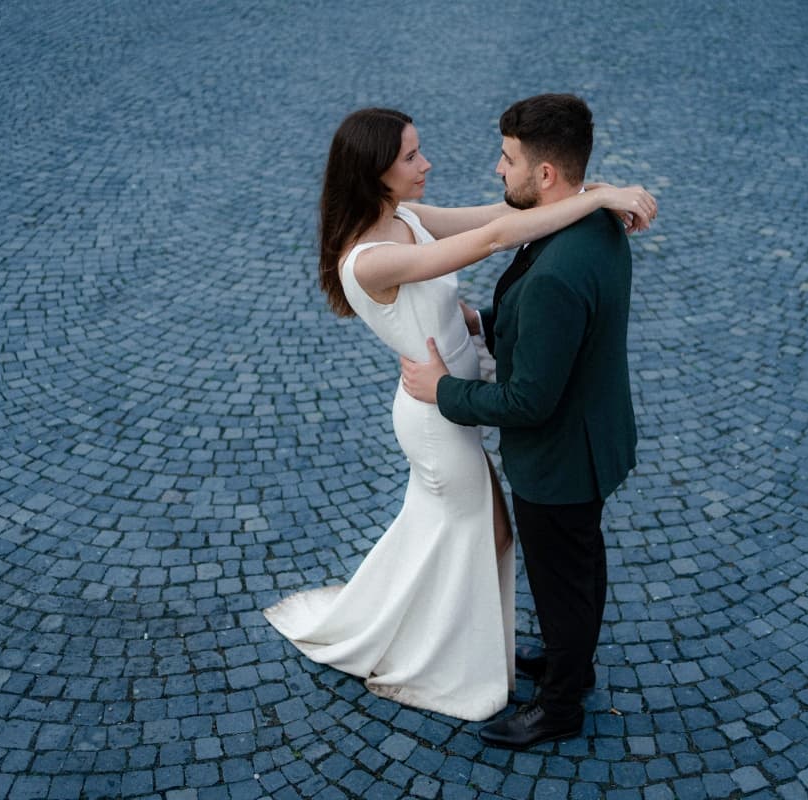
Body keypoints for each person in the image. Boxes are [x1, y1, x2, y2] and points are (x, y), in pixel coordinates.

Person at [263, 106, 655, 722]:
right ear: (374, 173)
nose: (428, 164)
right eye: (412, 158)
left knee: (464, 532)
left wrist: (595, 193)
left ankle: (457, 643)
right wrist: (601, 196)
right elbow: (495, 238)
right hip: (433, 412)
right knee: (486, 533)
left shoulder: (407, 217)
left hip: (453, 400)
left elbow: (507, 213)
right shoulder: (371, 258)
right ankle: (450, 659)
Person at [400, 93, 642, 747]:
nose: (497, 171)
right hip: (593, 436)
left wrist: (441, 389)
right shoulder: (593, 224)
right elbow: (563, 338)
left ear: (546, 176)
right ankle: (574, 661)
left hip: (560, 461)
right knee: (580, 563)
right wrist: (494, 322)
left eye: (507, 161)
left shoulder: (556, 274)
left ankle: (560, 706)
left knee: (563, 577)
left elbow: (526, 403)